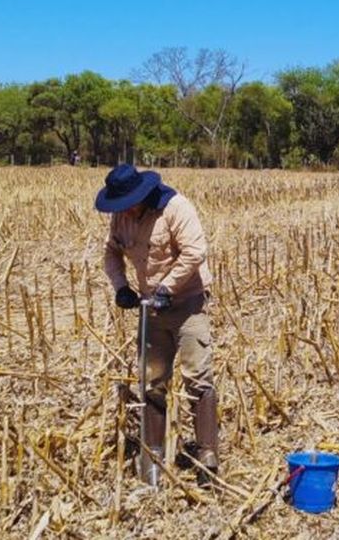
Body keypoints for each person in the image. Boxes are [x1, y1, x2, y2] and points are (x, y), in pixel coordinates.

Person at [95, 164, 219, 486]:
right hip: (152, 308)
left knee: (198, 377)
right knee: (151, 381)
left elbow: (195, 252)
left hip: (188, 303)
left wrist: (168, 287)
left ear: (141, 194)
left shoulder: (175, 207)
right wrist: (121, 286)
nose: (123, 210)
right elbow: (111, 252)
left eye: (128, 203)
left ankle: (207, 454)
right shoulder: (121, 217)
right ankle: (152, 457)